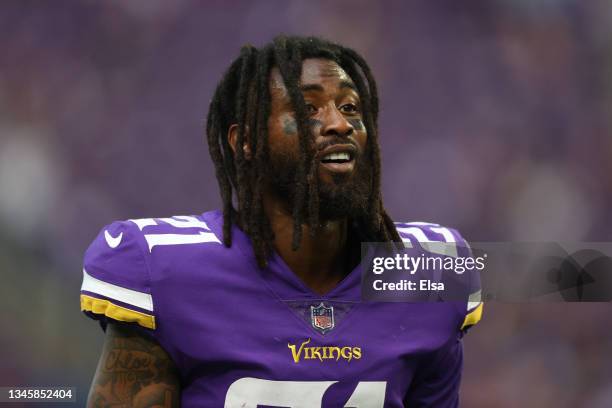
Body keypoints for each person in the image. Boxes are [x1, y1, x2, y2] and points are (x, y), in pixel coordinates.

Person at [80, 35, 482, 407]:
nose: (339, 124)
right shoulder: (162, 270)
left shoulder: (430, 274)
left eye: (350, 108)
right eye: (308, 109)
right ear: (247, 141)